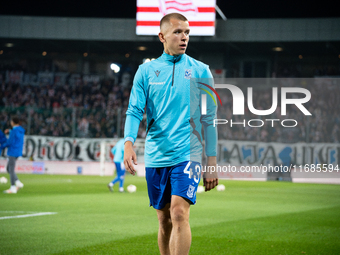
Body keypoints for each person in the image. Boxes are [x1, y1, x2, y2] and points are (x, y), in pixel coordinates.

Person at [124, 13, 218, 255]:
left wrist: (212, 161)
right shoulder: (146, 71)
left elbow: (209, 120)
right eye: (177, 32)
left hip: (189, 152)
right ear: (162, 36)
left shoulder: (201, 70)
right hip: (157, 154)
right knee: (164, 220)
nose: (184, 37)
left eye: (187, 32)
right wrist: (128, 143)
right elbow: (134, 110)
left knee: (178, 212)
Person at [0, 116, 25, 194]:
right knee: (8, 169)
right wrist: (10, 131)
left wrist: (1, 146)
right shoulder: (20, 130)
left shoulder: (14, 131)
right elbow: (16, 136)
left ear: (13, 122)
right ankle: (18, 182)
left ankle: (13, 187)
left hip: (12, 151)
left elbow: (9, 142)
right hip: (18, 151)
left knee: (11, 169)